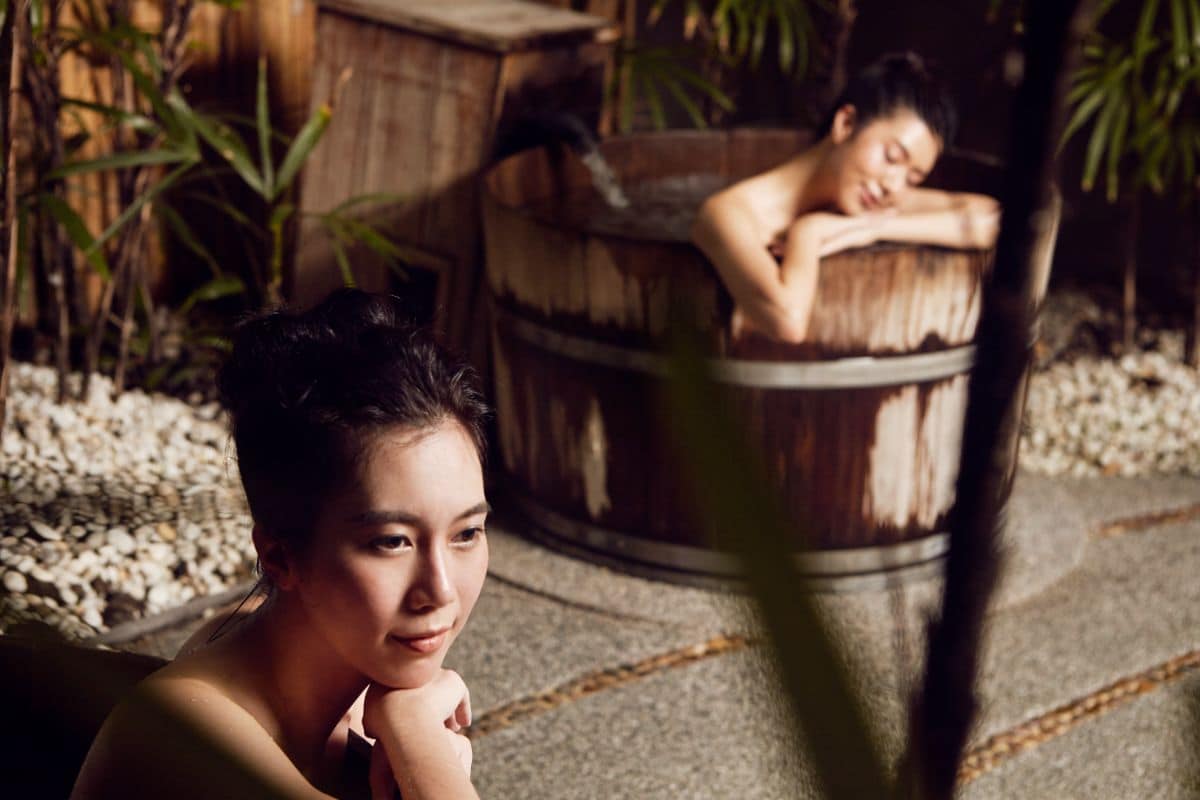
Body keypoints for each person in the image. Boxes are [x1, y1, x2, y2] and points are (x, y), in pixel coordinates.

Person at [71, 289, 490, 800]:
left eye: (466, 533)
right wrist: (418, 734)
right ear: (280, 555)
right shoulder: (184, 727)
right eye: (392, 542)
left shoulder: (347, 683)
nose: (440, 591)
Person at [691, 52, 1001, 343]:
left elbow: (994, 219)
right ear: (846, 124)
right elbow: (788, 320)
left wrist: (874, 228)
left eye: (913, 177)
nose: (895, 185)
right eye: (892, 157)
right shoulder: (728, 213)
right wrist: (808, 233)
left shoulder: (874, 199)